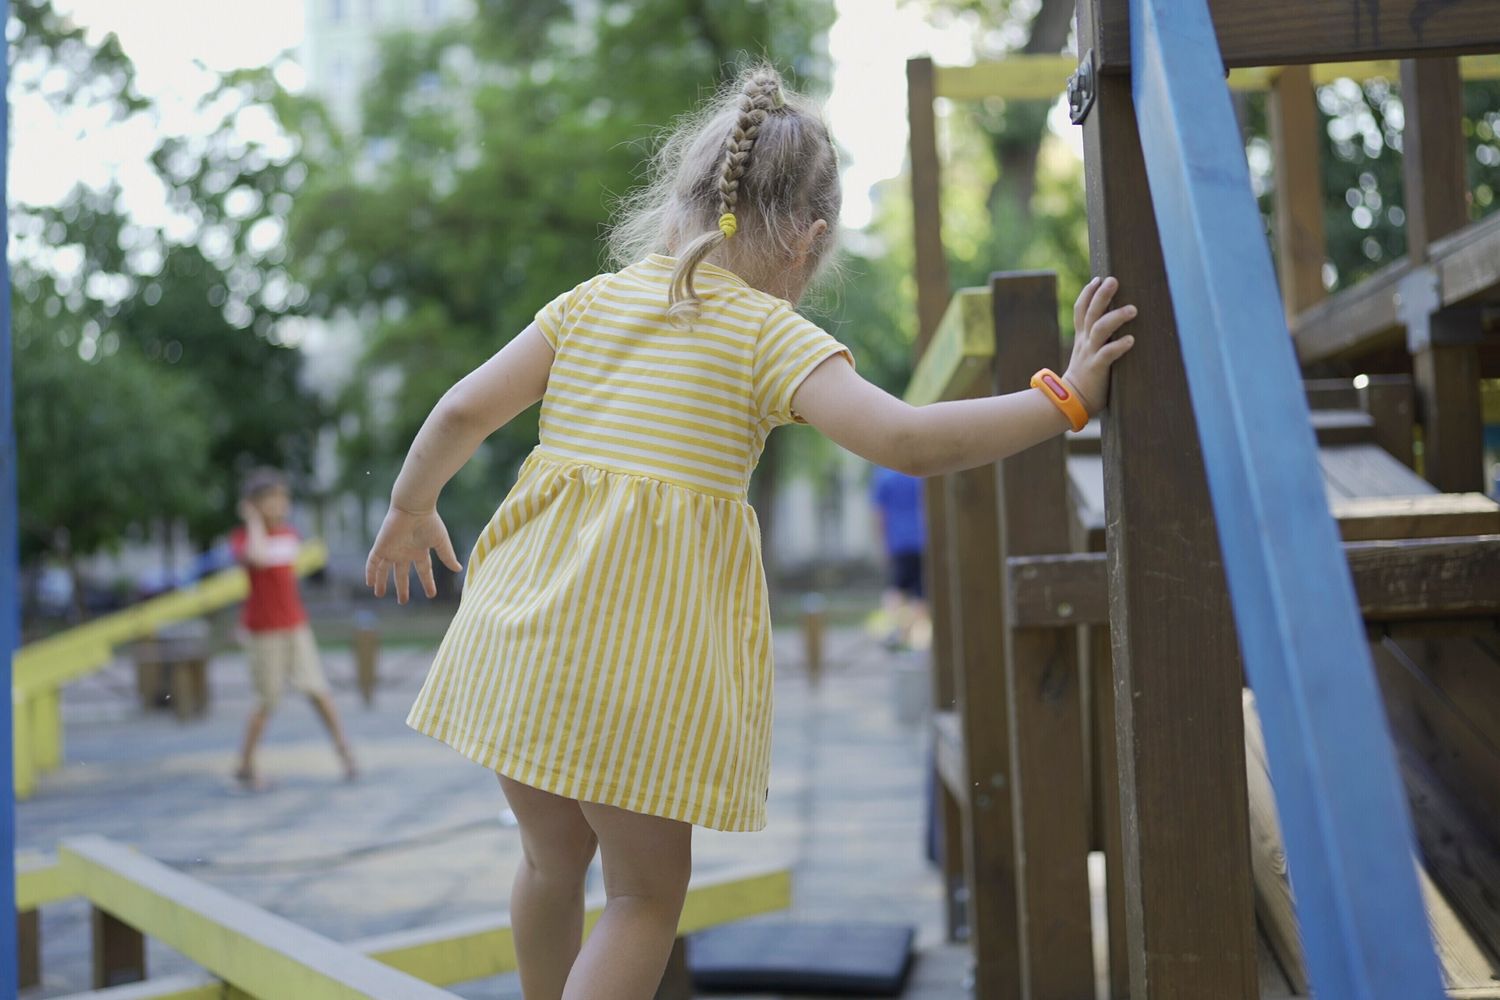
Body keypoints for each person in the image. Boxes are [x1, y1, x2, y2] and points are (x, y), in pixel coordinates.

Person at [365, 63, 1136, 1000]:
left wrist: (411, 508)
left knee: (549, 861)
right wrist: (1062, 400)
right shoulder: (769, 336)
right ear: (809, 244)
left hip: (521, 642)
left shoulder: (589, 304)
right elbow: (906, 440)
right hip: (634, 661)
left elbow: (458, 413)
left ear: (679, 201)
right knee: (646, 897)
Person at [232, 468, 357, 790]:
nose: (280, 504)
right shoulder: (245, 539)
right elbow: (257, 558)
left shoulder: (288, 536)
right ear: (254, 504)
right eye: (271, 498)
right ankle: (245, 764)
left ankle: (344, 750)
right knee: (267, 700)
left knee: (318, 690)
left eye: (283, 497)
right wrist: (252, 520)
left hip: (295, 626)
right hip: (264, 632)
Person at [869, 466, 930, 650]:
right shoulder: (921, 474)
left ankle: (898, 633)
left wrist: (881, 545)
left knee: (896, 590)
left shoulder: (883, 476)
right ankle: (913, 639)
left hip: (898, 543)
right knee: (921, 595)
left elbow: (879, 515)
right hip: (921, 541)